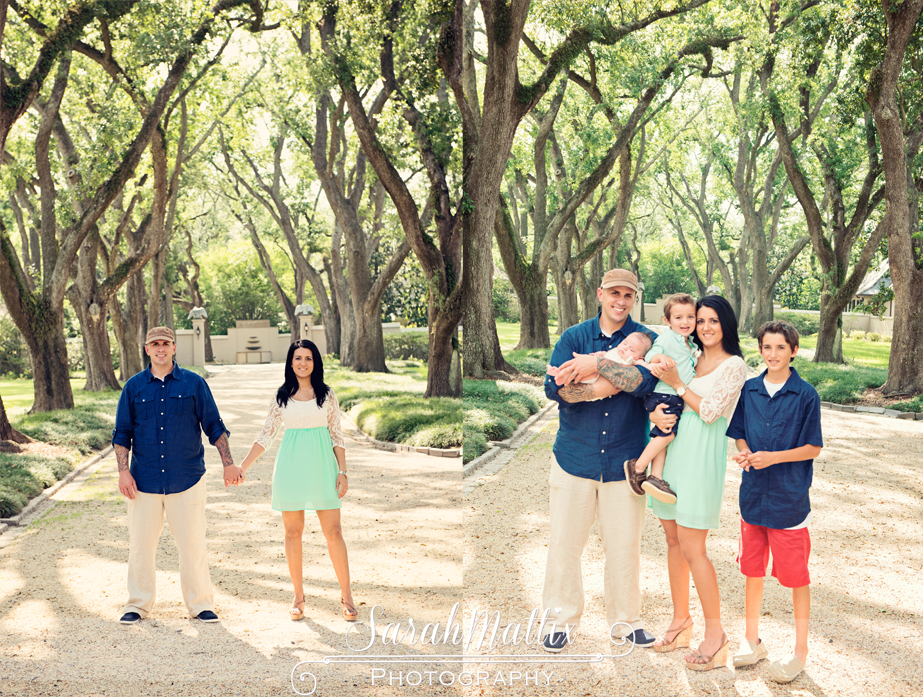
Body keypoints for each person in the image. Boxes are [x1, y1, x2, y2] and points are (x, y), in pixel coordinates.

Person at [542, 268, 677, 653]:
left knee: (624, 547)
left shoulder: (647, 339)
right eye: (614, 293)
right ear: (600, 293)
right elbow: (556, 389)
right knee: (565, 545)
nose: (621, 301)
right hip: (574, 457)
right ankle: (560, 620)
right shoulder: (574, 336)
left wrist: (594, 366)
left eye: (628, 295)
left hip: (624, 459)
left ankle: (626, 622)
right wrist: (618, 372)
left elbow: (643, 383)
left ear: (635, 299)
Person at [112, 326, 241, 625]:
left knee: (193, 545)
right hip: (143, 481)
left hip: (187, 479)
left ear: (173, 348)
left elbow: (214, 425)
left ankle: (200, 604)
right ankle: (138, 604)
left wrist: (229, 464)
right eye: (154, 344)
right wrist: (122, 472)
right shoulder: (133, 388)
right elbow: (122, 434)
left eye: (166, 343)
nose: (160, 348)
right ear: (146, 349)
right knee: (141, 546)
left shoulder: (194, 384)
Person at [647, 296, 748, 670]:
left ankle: (716, 634)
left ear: (726, 325)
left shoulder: (734, 365)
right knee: (672, 540)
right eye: (700, 320)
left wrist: (674, 382)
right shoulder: (689, 352)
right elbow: (661, 392)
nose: (705, 327)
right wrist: (659, 404)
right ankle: (680, 619)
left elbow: (708, 413)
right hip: (673, 449)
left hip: (700, 454)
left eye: (713, 321)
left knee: (693, 546)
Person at [726, 321, 823, 683]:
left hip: (789, 501)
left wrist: (773, 457)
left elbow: (813, 446)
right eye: (767, 347)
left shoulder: (806, 395)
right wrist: (747, 453)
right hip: (752, 498)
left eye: (781, 347)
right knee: (752, 571)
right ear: (761, 350)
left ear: (793, 351)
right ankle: (752, 642)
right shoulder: (749, 390)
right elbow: (738, 435)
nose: (773, 354)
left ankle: (800, 652)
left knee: (796, 578)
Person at [238, 340, 356, 622]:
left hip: (322, 467)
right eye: (297, 358)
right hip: (290, 469)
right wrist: (242, 466)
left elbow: (337, 435)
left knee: (334, 533)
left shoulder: (327, 395)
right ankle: (298, 597)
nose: (303, 363)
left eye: (308, 358)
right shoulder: (281, 397)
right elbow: (265, 436)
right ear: (290, 363)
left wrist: (343, 471)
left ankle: (347, 596)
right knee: (293, 533)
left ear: (315, 363)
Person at [624, 293, 699, 504]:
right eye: (678, 317)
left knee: (662, 436)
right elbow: (649, 356)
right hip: (664, 394)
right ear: (667, 321)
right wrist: (661, 358)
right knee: (667, 436)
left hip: (673, 395)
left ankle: (656, 477)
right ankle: (638, 466)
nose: (685, 322)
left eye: (690, 317)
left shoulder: (689, 343)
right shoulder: (667, 338)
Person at [545, 331, 653, 391]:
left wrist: (654, 366)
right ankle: (560, 372)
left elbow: (647, 369)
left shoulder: (634, 361)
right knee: (580, 363)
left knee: (589, 374)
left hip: (600, 377)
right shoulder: (616, 351)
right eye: (625, 343)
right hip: (593, 371)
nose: (625, 348)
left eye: (631, 349)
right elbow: (606, 354)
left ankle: (565, 377)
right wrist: (599, 355)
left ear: (639, 357)